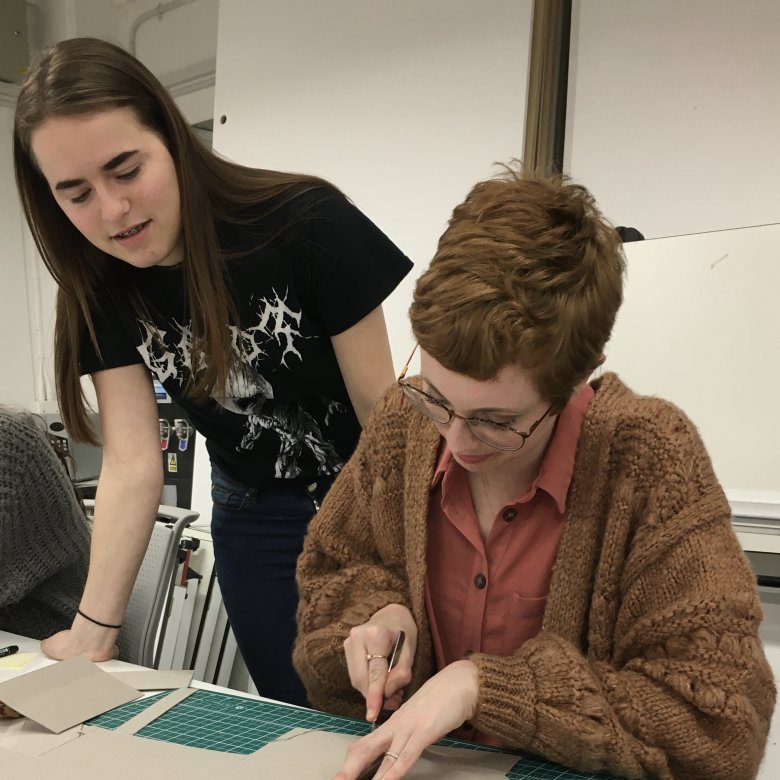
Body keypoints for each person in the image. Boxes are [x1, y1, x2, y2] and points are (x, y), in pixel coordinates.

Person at [293, 168, 775, 779]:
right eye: (436, 397)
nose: (456, 439)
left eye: (497, 420)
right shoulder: (402, 426)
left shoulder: (650, 462)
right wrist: (379, 612)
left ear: (577, 376)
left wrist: (489, 689)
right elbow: (334, 569)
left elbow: (721, 727)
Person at [13, 37, 412, 707]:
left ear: (170, 136)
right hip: (253, 520)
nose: (113, 212)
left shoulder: (306, 224)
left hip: (366, 500)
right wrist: (93, 630)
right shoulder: (100, 288)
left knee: (386, 706)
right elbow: (134, 462)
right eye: (76, 193)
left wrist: (408, 564)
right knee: (296, 715)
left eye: (125, 169)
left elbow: (386, 416)